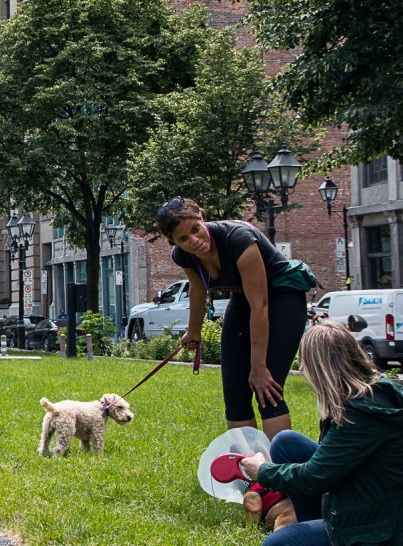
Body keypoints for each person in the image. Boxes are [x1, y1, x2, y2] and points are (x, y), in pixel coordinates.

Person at [154, 197, 311, 440]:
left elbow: (260, 306)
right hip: (242, 297)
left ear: (202, 218)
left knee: (266, 389)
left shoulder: (239, 239)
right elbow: (197, 289)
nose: (194, 241)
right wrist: (193, 331)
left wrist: (258, 367)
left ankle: (280, 469)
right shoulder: (183, 256)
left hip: (281, 297)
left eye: (196, 230)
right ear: (173, 242)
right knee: (235, 394)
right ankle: (248, 470)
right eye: (183, 239)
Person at [239, 321, 403, 545]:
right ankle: (320, 522)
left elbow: (314, 477)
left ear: (320, 370)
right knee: (286, 443)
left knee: (278, 543)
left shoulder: (358, 415)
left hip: (378, 527)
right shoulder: (376, 390)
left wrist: (264, 471)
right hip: (373, 495)